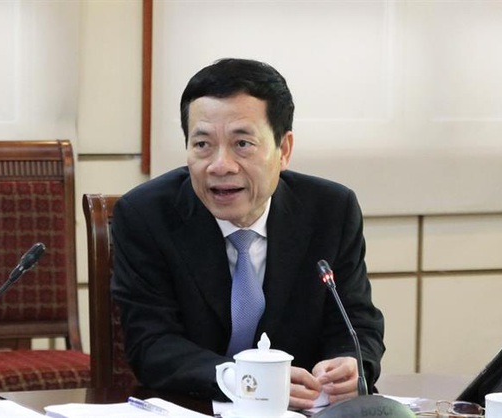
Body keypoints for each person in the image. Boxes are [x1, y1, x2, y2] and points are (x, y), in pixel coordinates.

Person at [111, 58, 385, 410]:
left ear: (284, 150)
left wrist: (351, 364)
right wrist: (242, 381)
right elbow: (151, 344)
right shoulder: (146, 216)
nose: (220, 165)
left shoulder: (331, 211)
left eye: (242, 144)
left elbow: (356, 322)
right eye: (202, 144)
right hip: (192, 406)